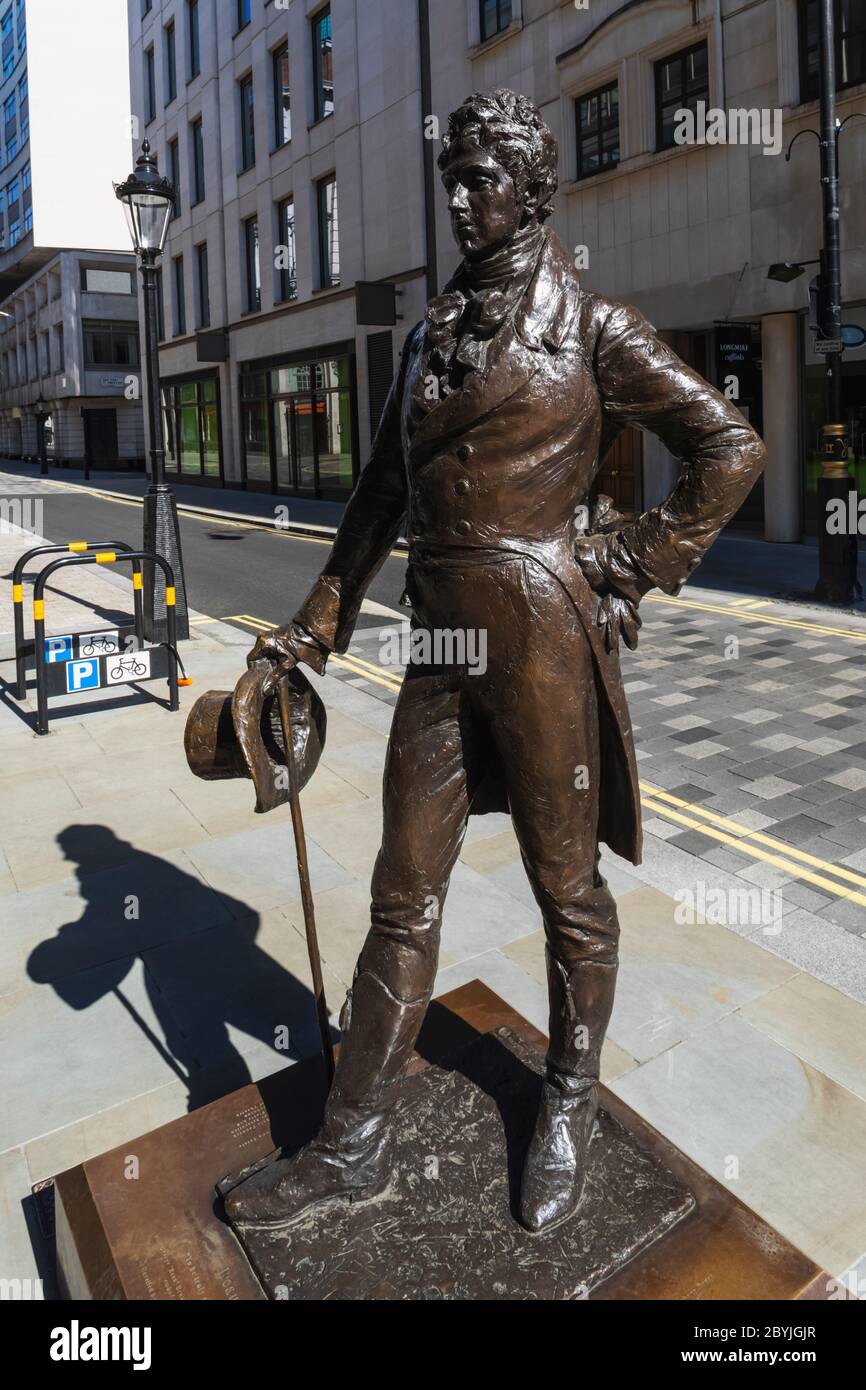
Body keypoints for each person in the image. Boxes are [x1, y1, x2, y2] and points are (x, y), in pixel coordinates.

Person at [226, 89, 766, 1235]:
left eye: (481, 177)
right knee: (400, 886)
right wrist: (315, 617)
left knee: (563, 887)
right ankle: (351, 1140)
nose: (461, 196)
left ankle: (566, 1096)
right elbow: (379, 492)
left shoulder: (591, 329)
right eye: (452, 178)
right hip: (438, 642)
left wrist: (632, 559)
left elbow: (728, 443)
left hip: (539, 639)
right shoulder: (428, 334)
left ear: (533, 185)